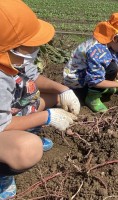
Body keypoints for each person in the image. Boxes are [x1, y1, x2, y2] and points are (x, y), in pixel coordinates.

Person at [0, 0, 80, 199]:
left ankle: (24, 133)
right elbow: (3, 125)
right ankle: (2, 174)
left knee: (52, 97)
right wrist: (47, 117)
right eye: (30, 45)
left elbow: (32, 77)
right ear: (11, 47)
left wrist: (63, 90)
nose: (36, 47)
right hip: (3, 124)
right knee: (28, 149)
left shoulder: (13, 57)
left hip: (9, 111)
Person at [63, 12, 118, 113]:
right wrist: (117, 84)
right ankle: (92, 98)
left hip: (85, 74)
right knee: (111, 68)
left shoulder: (107, 42)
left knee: (113, 68)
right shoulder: (98, 51)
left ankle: (102, 89)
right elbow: (95, 81)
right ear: (115, 38)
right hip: (77, 84)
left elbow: (110, 61)